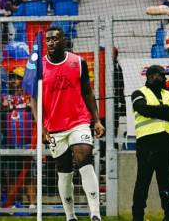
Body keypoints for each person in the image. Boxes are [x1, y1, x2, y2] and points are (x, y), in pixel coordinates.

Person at [37, 25, 104, 221]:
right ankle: (70, 216)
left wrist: (97, 120)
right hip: (54, 126)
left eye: (55, 39)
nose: (51, 42)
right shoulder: (39, 66)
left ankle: (95, 214)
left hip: (79, 121)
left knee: (83, 157)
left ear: (63, 40)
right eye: (48, 39)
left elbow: (88, 92)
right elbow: (34, 98)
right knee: (64, 171)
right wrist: (41, 126)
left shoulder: (78, 62)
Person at [131, 65, 169, 221]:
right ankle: (137, 217)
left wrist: (159, 110)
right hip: (147, 145)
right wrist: (165, 110)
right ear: (151, 76)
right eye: (162, 75)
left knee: (168, 185)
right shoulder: (138, 92)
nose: (165, 79)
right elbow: (142, 109)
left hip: (167, 145)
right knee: (142, 183)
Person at [1, 66, 35, 207]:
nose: (14, 81)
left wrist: (32, 105)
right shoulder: (4, 98)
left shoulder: (30, 97)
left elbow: (37, 116)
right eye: (12, 78)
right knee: (12, 175)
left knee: (28, 175)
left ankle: (33, 204)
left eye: (17, 78)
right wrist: (2, 106)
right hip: (10, 142)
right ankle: (12, 204)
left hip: (27, 142)